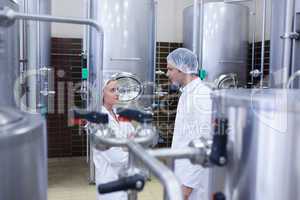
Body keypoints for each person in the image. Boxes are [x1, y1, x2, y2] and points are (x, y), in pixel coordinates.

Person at [166, 48, 212, 200]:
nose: (167, 74)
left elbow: (203, 141)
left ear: (182, 69)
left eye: (170, 69)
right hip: (183, 171)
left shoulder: (201, 96)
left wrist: (188, 185)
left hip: (193, 181)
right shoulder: (187, 93)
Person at [93, 78, 134, 200]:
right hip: (110, 183)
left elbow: (133, 134)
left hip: (125, 178)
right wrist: (130, 146)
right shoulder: (99, 121)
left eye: (117, 89)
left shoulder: (116, 113)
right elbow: (117, 158)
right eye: (112, 90)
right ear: (101, 94)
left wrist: (126, 146)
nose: (117, 93)